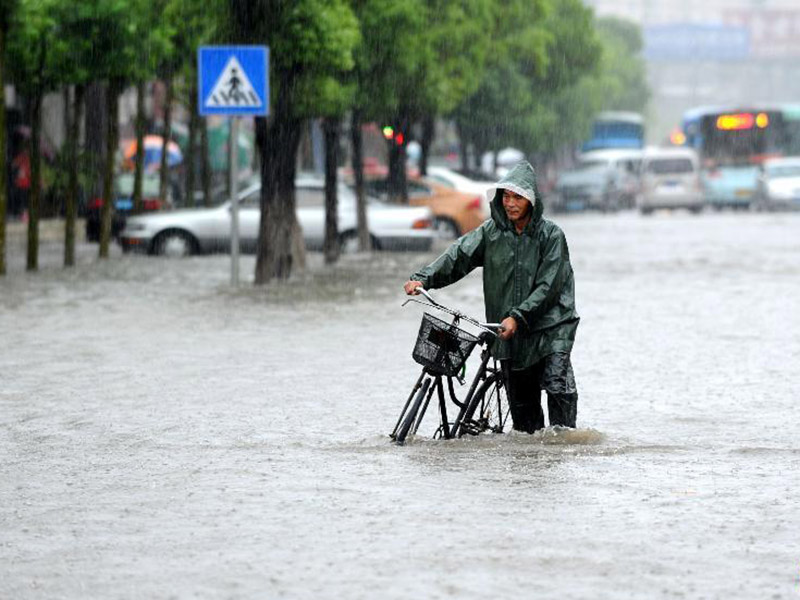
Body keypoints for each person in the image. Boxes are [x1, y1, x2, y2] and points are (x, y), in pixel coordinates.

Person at [403, 160, 580, 433]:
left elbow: (548, 287)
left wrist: (518, 316)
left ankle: (563, 449)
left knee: (558, 393)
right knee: (525, 422)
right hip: (510, 331)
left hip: (551, 327)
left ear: (532, 201)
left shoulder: (551, 236)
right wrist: (424, 278)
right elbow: (458, 256)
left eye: (517, 197)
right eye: (506, 196)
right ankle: (532, 466)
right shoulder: (491, 233)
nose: (510, 203)